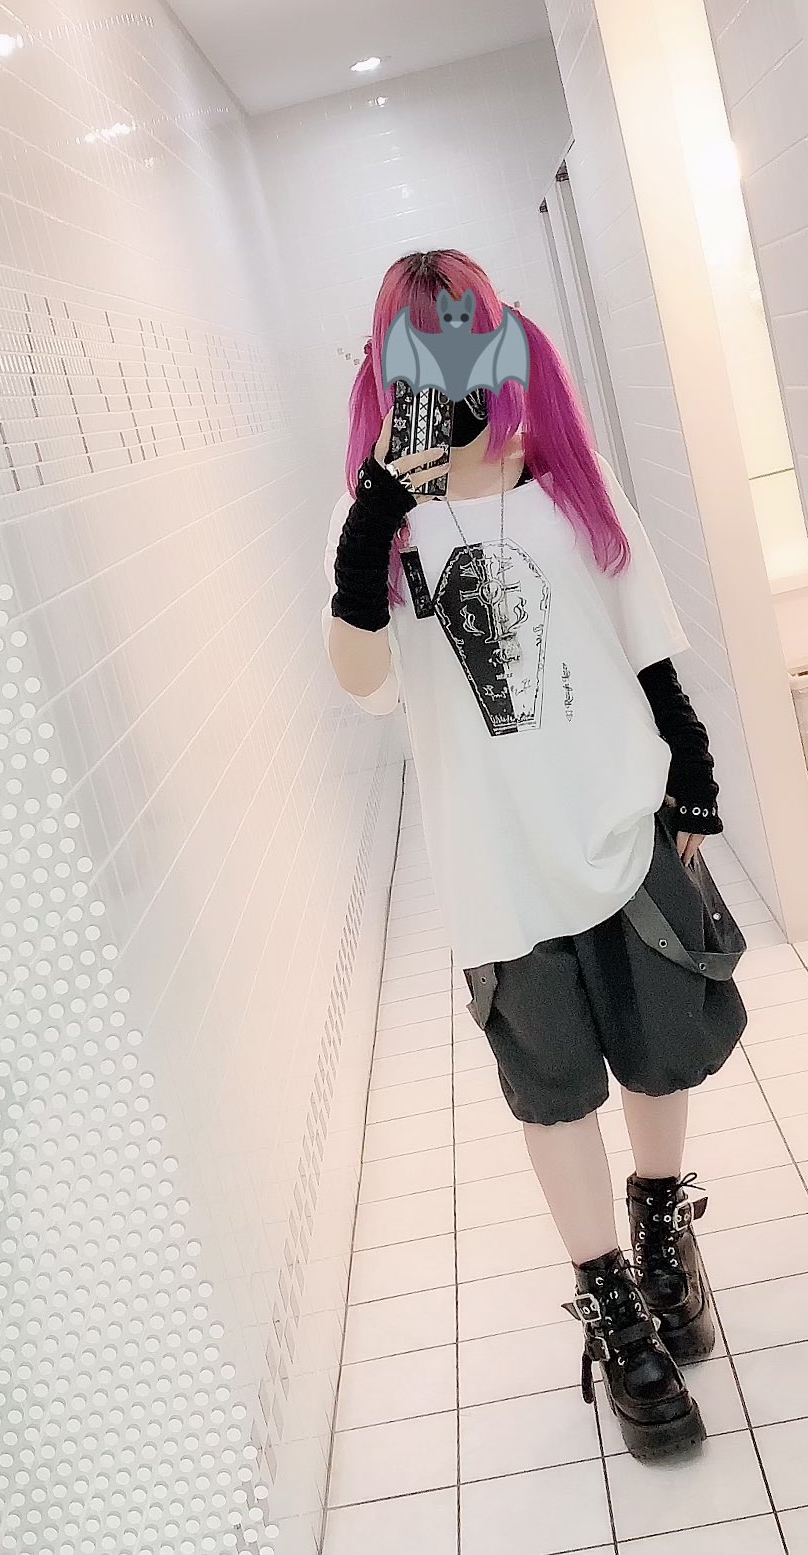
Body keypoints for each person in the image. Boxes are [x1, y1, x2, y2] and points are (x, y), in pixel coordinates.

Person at [324, 249, 748, 1461]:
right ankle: (611, 1306)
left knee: (659, 1049)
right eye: (420, 346)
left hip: (616, 820)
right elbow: (358, 680)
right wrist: (374, 514)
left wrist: (692, 770)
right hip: (496, 864)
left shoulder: (566, 481)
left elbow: (643, 638)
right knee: (552, 1085)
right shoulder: (377, 528)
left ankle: (659, 1225)